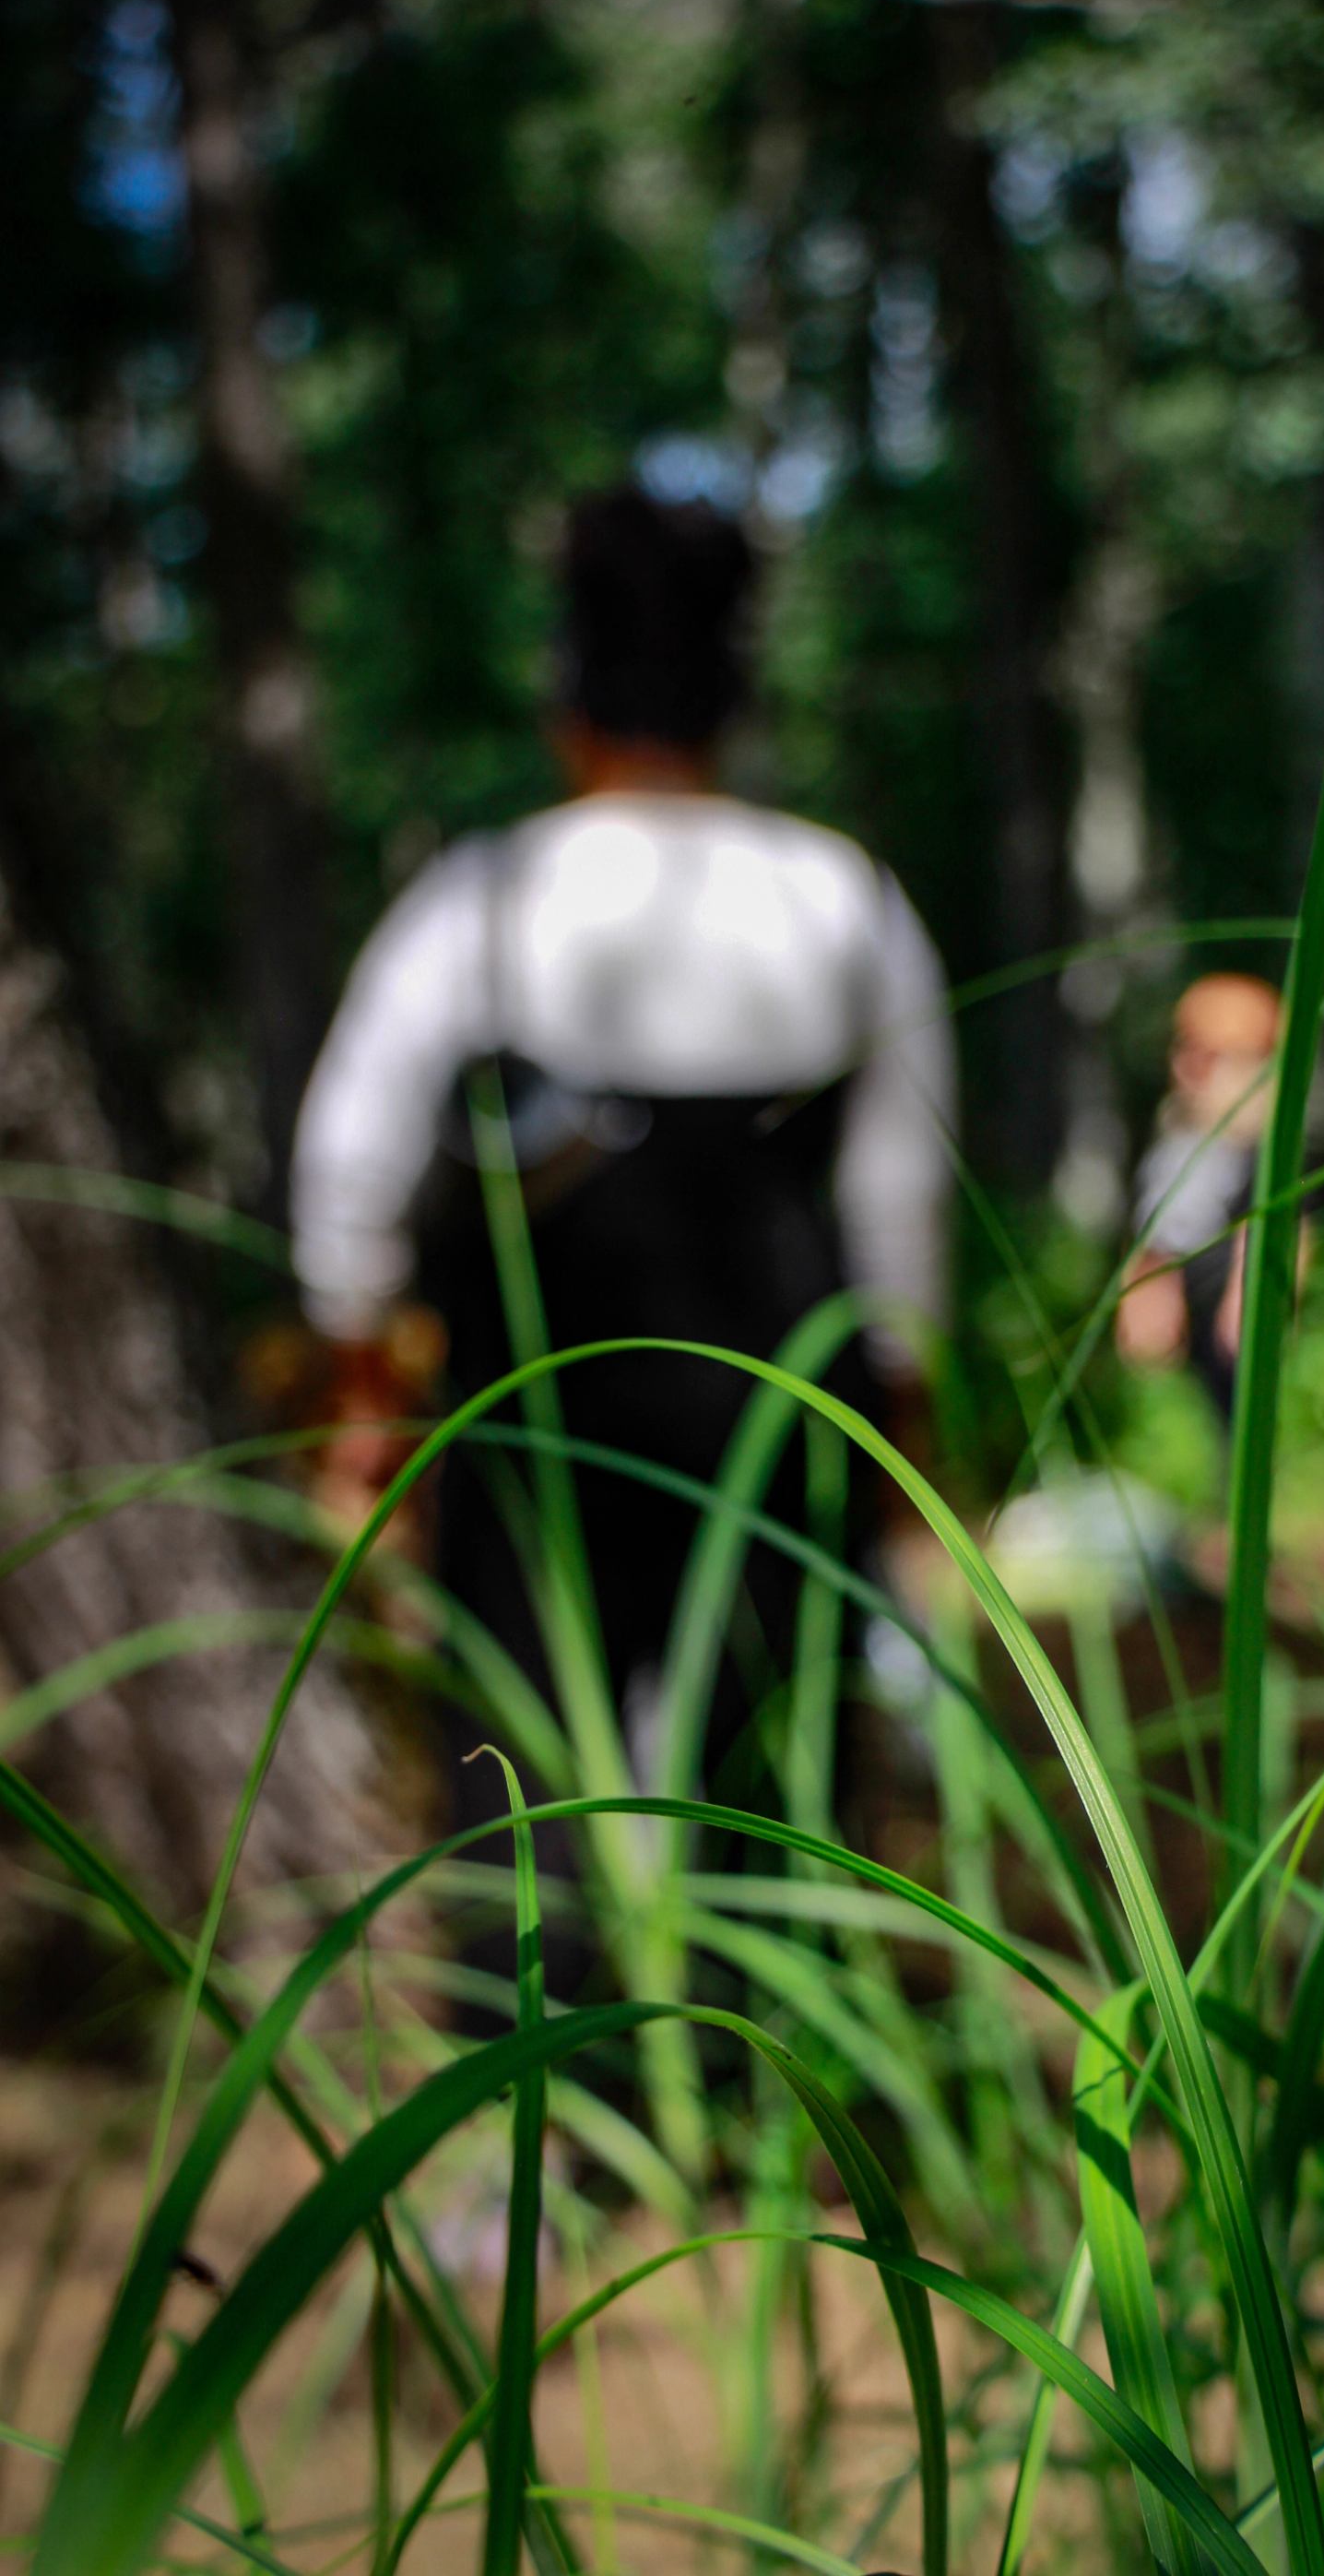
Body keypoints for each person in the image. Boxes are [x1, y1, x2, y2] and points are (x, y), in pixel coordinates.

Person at [290, 483, 956, 1999]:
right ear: (734, 697)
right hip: (784, 1369)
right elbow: (904, 1186)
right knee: (770, 1718)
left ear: (566, 698)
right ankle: (756, 2056)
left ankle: (550, 2097)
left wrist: (359, 1366)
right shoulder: (840, 892)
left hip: (542, 1376)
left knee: (518, 1729)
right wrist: (904, 1375)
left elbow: (352, 1153)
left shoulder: (489, 893)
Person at [1115, 972, 1283, 1414]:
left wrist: (1252, 1298)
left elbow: (1278, 1227)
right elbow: (1156, 1228)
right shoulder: (1176, 1134)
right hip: (1179, 1348)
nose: (1188, 1068)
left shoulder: (1268, 1150)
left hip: (1228, 1340)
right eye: (1185, 1049)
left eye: (1213, 1057)